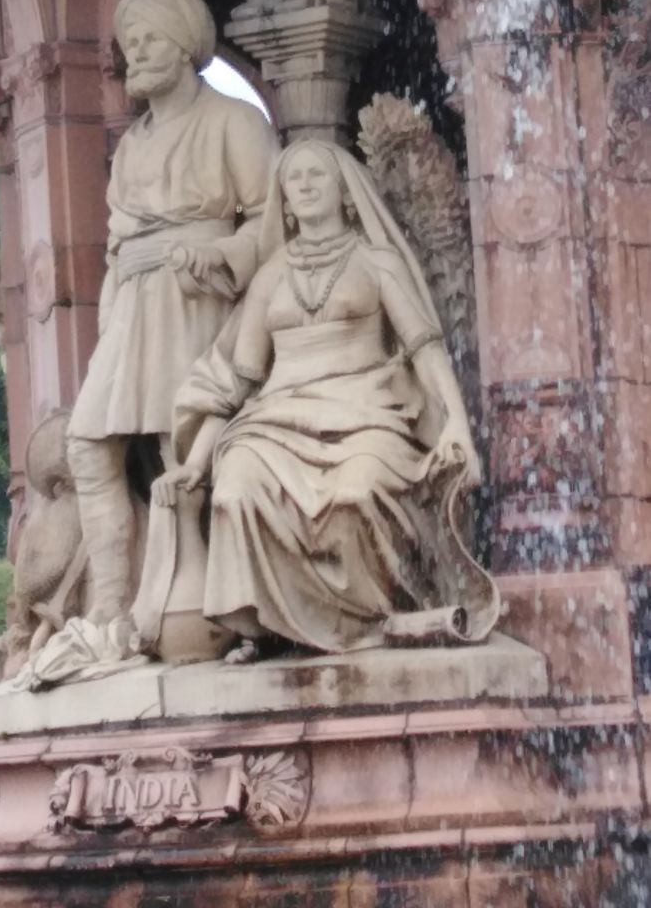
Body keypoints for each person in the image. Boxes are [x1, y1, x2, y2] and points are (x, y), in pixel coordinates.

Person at [152, 139, 498, 659]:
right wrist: (195, 462)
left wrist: (456, 427)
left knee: (356, 492)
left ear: (344, 191)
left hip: (366, 413)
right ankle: (272, 628)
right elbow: (238, 383)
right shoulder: (270, 276)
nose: (307, 185)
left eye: (318, 175)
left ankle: (370, 624)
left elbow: (425, 349)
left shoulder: (377, 262)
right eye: (295, 180)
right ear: (285, 201)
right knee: (235, 491)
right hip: (275, 419)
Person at [66, 0, 278, 630]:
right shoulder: (132, 145)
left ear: (186, 43)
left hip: (196, 299)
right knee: (85, 445)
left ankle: (208, 605)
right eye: (130, 42)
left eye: (151, 39)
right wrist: (108, 319)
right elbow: (113, 249)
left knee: (178, 446)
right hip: (131, 308)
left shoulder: (233, 122)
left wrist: (220, 258)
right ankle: (111, 601)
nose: (137, 55)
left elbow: (271, 218)